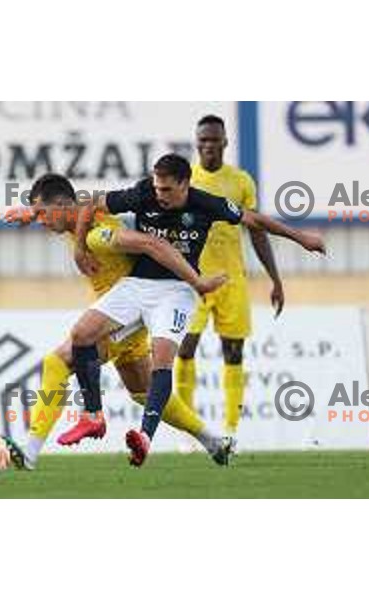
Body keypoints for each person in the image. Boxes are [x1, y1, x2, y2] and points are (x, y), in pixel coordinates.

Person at [59, 153, 326, 467]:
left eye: (167, 190)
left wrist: (301, 237)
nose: (159, 195)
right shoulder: (143, 192)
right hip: (137, 284)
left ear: (185, 185)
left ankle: (145, 437)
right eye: (157, 188)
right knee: (81, 334)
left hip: (176, 291)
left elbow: (254, 220)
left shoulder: (206, 203)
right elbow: (90, 204)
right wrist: (78, 249)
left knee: (161, 359)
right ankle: (93, 415)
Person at [3, 173, 229, 469]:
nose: (42, 222)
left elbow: (152, 245)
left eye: (43, 214)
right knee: (142, 393)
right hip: (119, 317)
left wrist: (196, 282)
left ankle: (30, 451)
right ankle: (214, 441)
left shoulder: (100, 233)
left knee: (57, 362)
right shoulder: (77, 220)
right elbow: (78, 202)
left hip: (125, 316)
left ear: (60, 205)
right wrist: (32, 213)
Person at [176, 114, 285, 455]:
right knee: (185, 348)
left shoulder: (240, 181)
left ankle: (230, 431)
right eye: (202, 141)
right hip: (192, 280)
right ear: (197, 144)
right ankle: (190, 430)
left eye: (213, 140)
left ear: (224, 142)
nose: (208, 146)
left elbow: (256, 231)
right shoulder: (185, 179)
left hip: (232, 280)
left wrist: (275, 279)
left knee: (233, 353)